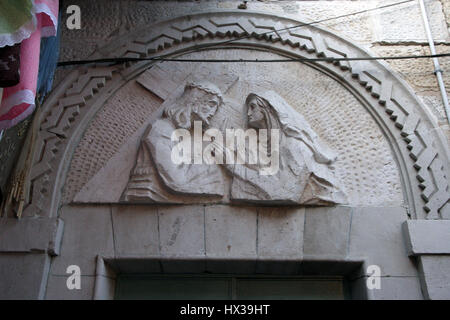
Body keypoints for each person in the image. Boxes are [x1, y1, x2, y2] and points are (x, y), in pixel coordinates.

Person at [228, 91, 347, 205]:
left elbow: (282, 192)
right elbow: (266, 171)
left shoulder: (294, 146)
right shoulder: (272, 144)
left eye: (253, 107)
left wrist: (232, 167)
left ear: (268, 110)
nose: (248, 113)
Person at [122, 81, 225, 202]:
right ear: (194, 100)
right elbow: (176, 180)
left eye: (216, 109)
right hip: (149, 193)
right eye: (211, 104)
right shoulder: (161, 129)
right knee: (213, 170)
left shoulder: (178, 133)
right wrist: (209, 163)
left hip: (163, 194)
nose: (212, 113)